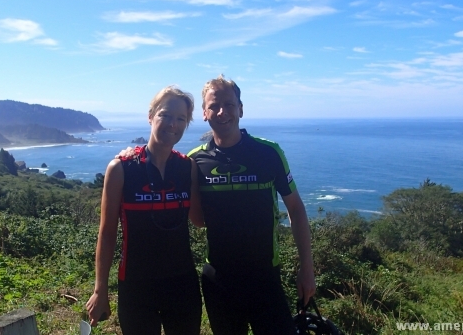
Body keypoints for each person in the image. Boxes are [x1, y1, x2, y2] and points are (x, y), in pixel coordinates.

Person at [187, 75, 316, 335]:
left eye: (229, 104)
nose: (222, 112)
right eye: (214, 106)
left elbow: (296, 209)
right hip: (218, 280)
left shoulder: (269, 153)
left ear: (241, 109)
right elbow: (198, 220)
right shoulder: (194, 161)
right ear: (204, 113)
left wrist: (307, 267)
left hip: (265, 278)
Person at [86, 86, 204, 335]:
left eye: (181, 119)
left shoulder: (188, 168)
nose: (173, 124)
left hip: (182, 284)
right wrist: (100, 290)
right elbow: (107, 233)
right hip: (136, 287)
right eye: (165, 115)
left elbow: (199, 220)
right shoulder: (121, 168)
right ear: (150, 116)